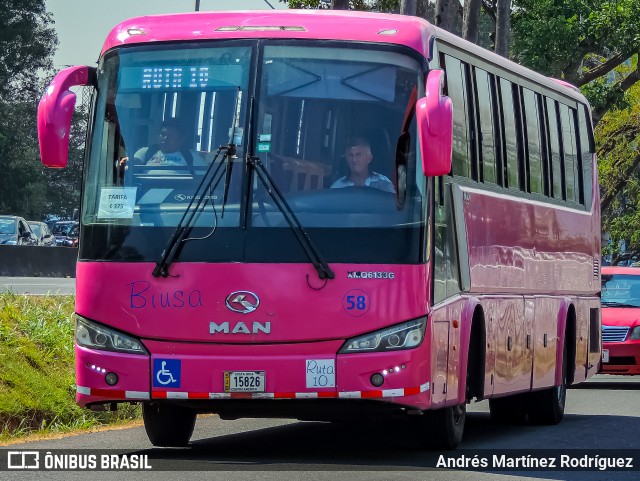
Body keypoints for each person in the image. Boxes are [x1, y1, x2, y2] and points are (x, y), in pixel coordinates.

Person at [117, 118, 205, 177]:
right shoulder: (146, 151)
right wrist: (125, 161)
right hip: (145, 192)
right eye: (163, 134)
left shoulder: (191, 156)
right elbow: (133, 162)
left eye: (171, 135)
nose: (165, 139)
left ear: (181, 139)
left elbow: (203, 180)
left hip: (178, 198)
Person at [330, 138, 395, 193]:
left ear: (369, 158)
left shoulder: (384, 184)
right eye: (351, 155)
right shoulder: (337, 188)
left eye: (358, 154)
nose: (354, 159)